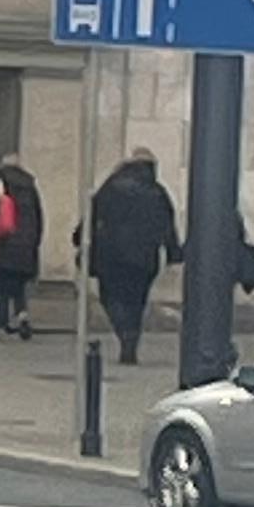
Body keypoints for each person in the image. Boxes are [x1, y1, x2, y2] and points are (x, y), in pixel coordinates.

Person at [87, 146, 181, 366]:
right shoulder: (158, 192)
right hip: (145, 257)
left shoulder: (112, 186)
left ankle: (123, 331)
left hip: (111, 253)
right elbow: (167, 225)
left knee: (110, 296)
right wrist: (173, 252)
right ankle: (130, 340)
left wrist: (81, 237)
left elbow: (94, 213)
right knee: (137, 301)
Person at [0, 160, 43, 339]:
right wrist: (33, 243)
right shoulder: (30, 185)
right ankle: (22, 315)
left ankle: (0, 325)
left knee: (0, 286)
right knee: (18, 286)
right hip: (25, 245)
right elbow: (39, 217)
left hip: (3, 243)